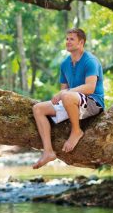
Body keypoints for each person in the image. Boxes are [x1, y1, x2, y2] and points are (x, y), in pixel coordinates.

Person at [32, 27, 104, 169]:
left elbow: (90, 88)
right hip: (72, 101)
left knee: (66, 95)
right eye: (67, 39)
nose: (68, 42)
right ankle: (48, 152)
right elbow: (64, 90)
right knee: (38, 108)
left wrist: (64, 94)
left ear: (81, 42)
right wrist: (61, 95)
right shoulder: (65, 64)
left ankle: (76, 131)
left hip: (93, 103)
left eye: (72, 39)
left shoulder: (90, 61)